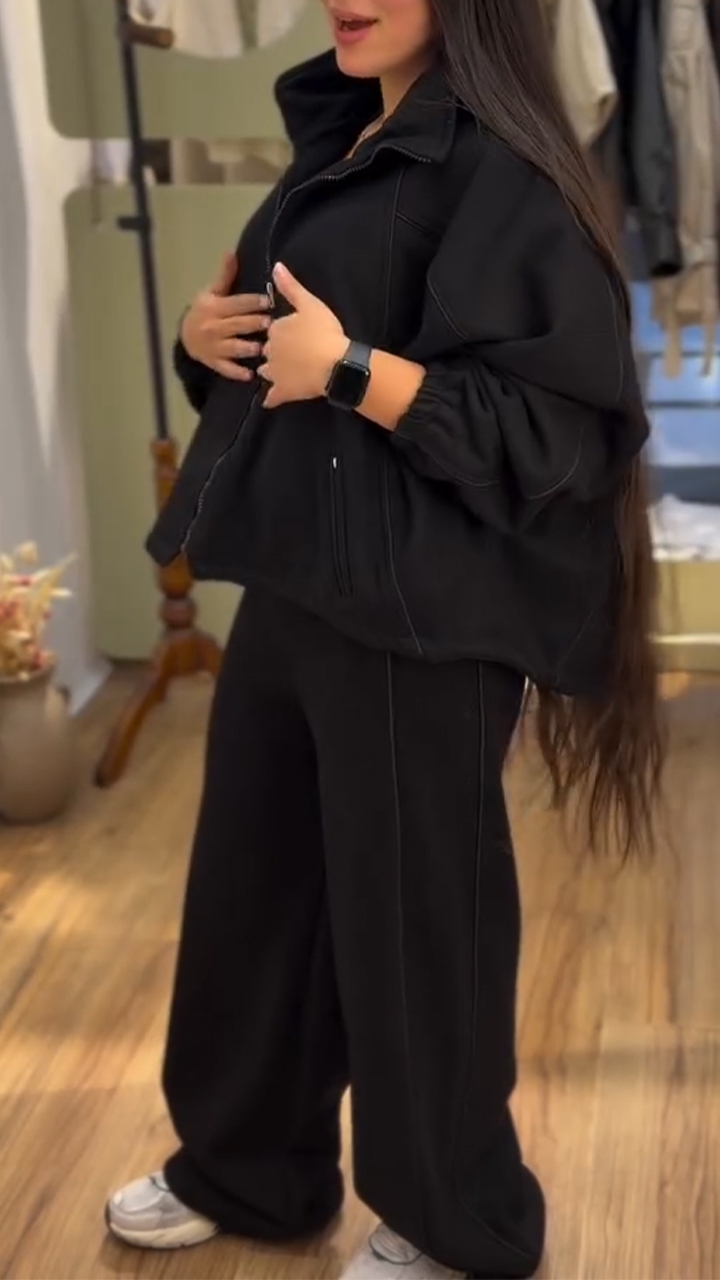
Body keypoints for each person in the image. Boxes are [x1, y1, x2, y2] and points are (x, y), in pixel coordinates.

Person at [106, 1, 665, 1276]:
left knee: (420, 925)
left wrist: (352, 368)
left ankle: (456, 1218)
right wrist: (207, 342)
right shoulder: (344, 131)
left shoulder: (508, 172)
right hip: (298, 585)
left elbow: (560, 436)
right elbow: (284, 351)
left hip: (426, 618)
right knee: (254, 894)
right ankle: (247, 1166)